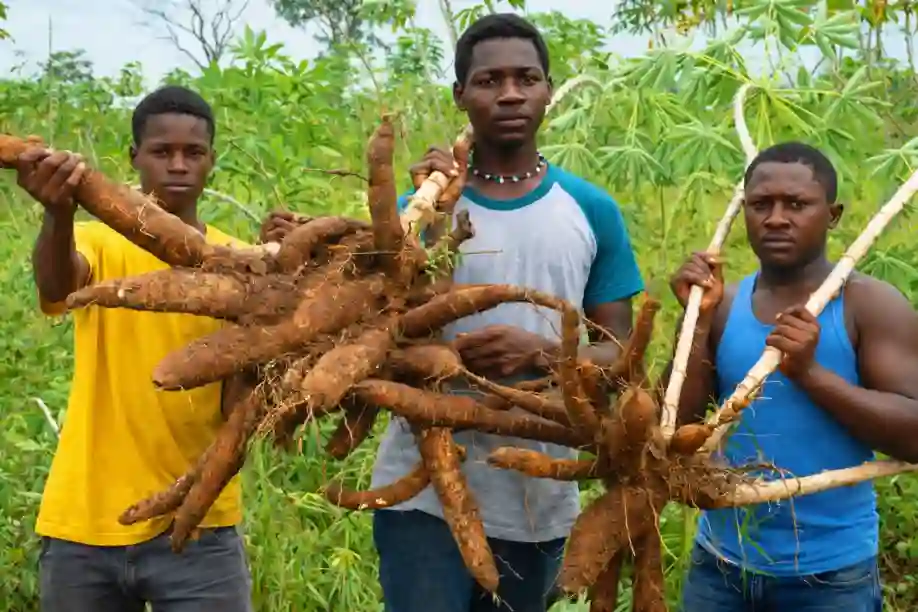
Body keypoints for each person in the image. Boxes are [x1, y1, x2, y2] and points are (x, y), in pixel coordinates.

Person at [369, 13, 645, 612]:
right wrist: (434, 219)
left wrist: (542, 354)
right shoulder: (416, 207)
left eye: (527, 78)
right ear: (461, 95)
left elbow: (620, 352)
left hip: (537, 488)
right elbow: (377, 335)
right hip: (421, 486)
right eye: (490, 80)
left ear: (548, 87)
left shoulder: (591, 210)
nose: (511, 93)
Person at [17, 85, 287, 612]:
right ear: (134, 158)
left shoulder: (241, 261)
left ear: (212, 161)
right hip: (84, 522)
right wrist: (57, 214)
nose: (179, 165)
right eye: (162, 152)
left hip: (200, 525)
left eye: (194, 153)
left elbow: (241, 408)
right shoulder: (96, 241)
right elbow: (57, 286)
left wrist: (280, 283)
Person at [668, 141, 918, 611]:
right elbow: (671, 427)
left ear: (834, 214)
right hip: (720, 566)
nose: (776, 218)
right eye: (761, 205)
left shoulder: (869, 306)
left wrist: (811, 374)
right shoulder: (722, 305)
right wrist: (695, 323)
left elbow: (915, 436)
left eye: (797, 204)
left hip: (830, 576)